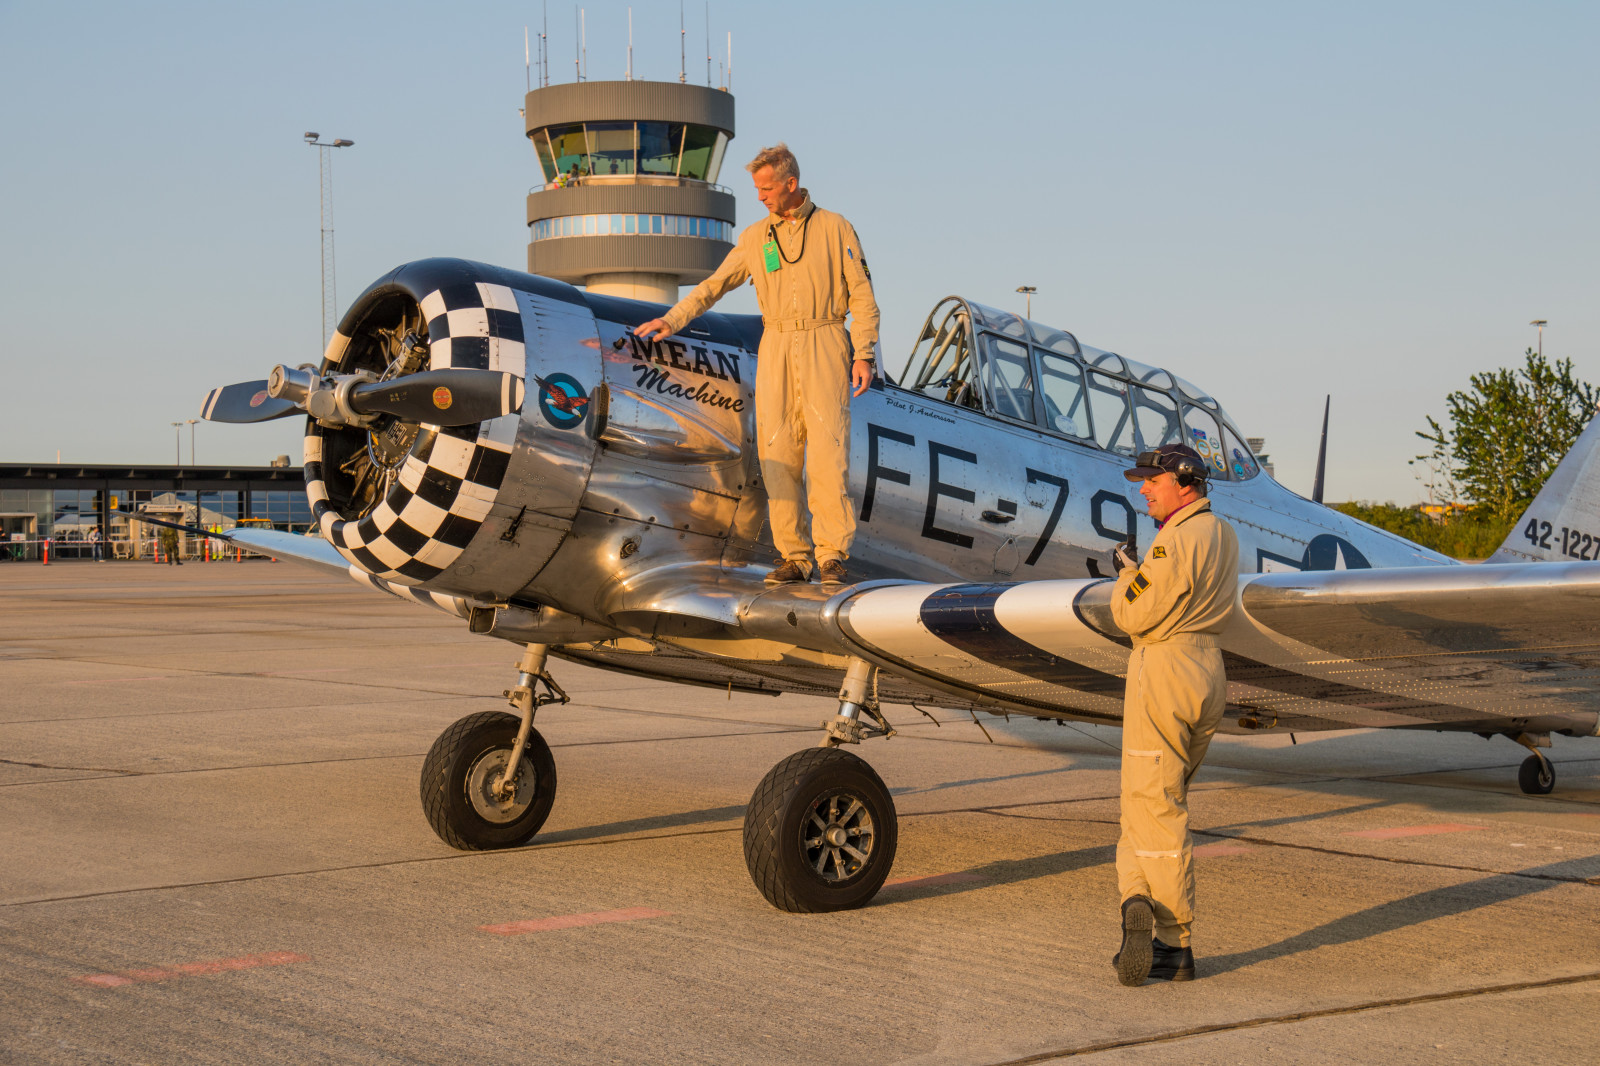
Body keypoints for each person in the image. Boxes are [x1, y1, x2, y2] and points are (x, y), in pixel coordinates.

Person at [634, 143, 880, 587]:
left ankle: (831, 556)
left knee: (828, 453)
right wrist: (672, 320)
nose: (761, 196)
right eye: (757, 189)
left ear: (791, 184)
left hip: (825, 337)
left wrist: (863, 352)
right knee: (776, 452)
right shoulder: (754, 238)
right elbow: (713, 287)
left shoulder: (835, 227)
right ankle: (794, 556)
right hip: (777, 342)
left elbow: (861, 294)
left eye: (767, 188)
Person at [1109, 443, 1238, 986]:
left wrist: (1127, 575)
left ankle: (1173, 941)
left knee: (1156, 806)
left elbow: (1133, 614)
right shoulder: (1224, 534)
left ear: (1184, 483)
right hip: (1208, 669)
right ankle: (1135, 897)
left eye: (1152, 482)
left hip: (1164, 669)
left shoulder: (1173, 541)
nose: (1143, 489)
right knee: (1151, 797)